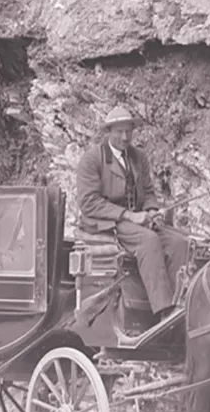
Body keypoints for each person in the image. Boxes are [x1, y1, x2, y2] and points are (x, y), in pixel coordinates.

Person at [75, 105, 190, 321]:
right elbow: (88, 202)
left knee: (179, 242)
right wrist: (128, 215)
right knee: (148, 240)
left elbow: (147, 192)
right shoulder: (92, 159)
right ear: (108, 132)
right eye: (119, 131)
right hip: (106, 223)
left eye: (128, 131)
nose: (125, 137)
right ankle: (163, 313)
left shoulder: (139, 157)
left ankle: (180, 305)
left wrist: (152, 210)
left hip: (136, 221)